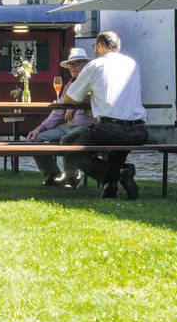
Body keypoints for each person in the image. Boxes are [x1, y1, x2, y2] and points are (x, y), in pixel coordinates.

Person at [61, 30, 148, 199]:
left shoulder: (95, 65)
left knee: (72, 151)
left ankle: (116, 175)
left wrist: (90, 95)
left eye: (94, 46)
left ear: (99, 46)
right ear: (118, 47)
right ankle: (111, 184)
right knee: (117, 150)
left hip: (111, 129)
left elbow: (69, 99)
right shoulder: (133, 64)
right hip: (139, 131)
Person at [29, 47, 97, 188]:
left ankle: (72, 177)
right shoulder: (69, 85)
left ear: (86, 64)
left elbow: (92, 99)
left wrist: (72, 106)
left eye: (77, 63)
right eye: (71, 64)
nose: (73, 67)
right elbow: (58, 112)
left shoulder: (94, 80)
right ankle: (54, 175)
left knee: (68, 140)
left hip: (87, 126)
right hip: (68, 126)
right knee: (35, 139)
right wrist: (39, 128)